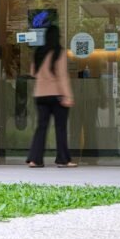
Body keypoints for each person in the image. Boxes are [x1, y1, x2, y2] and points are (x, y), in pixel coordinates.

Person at [26, 25, 77, 168]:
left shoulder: (39, 52)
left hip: (40, 95)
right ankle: (63, 159)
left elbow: (33, 73)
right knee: (60, 128)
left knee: (41, 127)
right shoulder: (59, 53)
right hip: (57, 95)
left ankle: (35, 160)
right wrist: (68, 96)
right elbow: (62, 76)